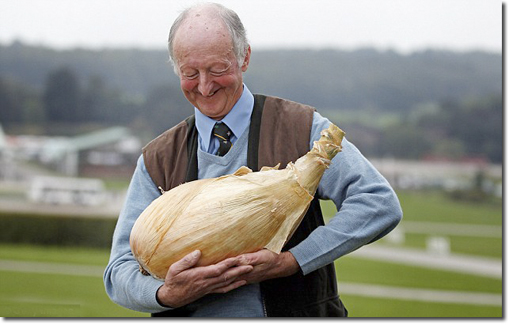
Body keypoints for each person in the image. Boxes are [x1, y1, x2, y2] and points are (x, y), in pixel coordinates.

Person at [104, 2, 402, 317]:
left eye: (217, 69)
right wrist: (165, 293)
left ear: (244, 56)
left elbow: (378, 203)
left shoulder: (302, 129)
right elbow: (118, 272)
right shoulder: (158, 158)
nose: (205, 86)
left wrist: (293, 262)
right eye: (190, 73)